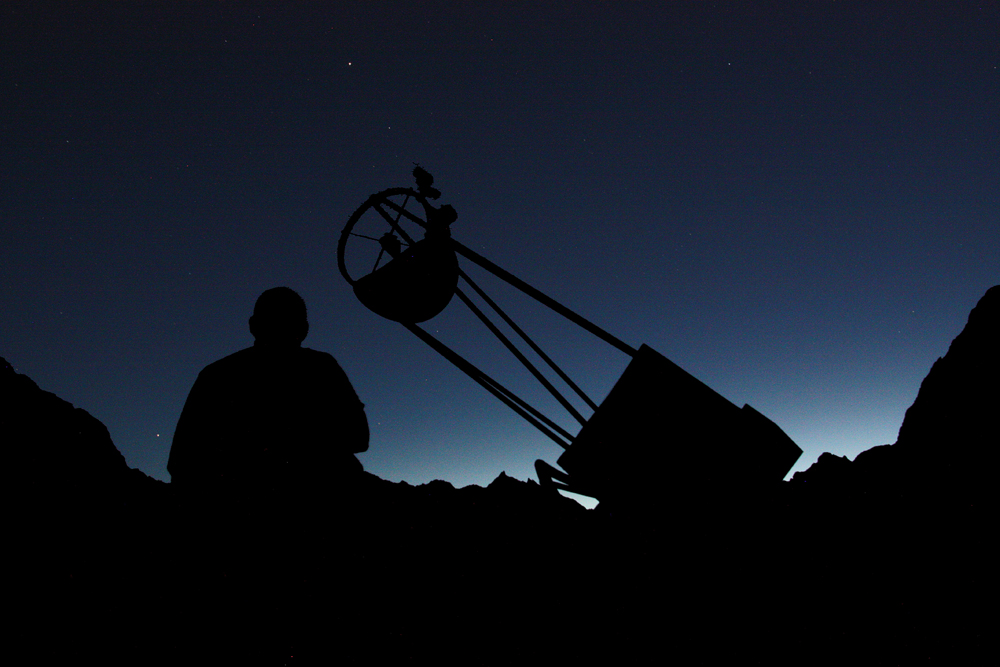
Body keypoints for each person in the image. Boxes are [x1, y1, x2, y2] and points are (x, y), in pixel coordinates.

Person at [167, 287, 369, 503]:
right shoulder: (322, 368)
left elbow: (181, 461)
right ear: (304, 328)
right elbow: (358, 436)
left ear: (253, 326)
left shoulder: (216, 374)